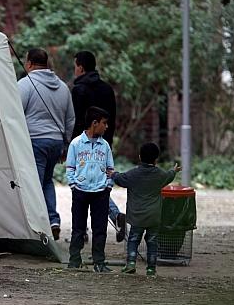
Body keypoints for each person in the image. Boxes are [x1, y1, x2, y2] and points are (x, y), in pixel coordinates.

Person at [18, 48, 75, 241]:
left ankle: (37, 226)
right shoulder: (62, 87)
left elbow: (14, 113)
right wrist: (65, 145)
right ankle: (53, 220)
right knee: (47, 181)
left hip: (35, 141)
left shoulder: (25, 85)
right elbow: (70, 119)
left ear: (29, 64)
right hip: (56, 142)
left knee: (34, 184)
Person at [71, 51, 127, 242]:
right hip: (105, 143)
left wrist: (71, 145)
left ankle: (82, 231)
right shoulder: (107, 89)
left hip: (83, 144)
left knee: (82, 185)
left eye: (75, 66)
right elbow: (113, 117)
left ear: (81, 67)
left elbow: (77, 121)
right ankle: (115, 215)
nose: (74, 70)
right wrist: (108, 141)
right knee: (98, 184)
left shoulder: (79, 90)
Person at [110, 142, 180, 277]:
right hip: (154, 216)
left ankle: (130, 264)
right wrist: (174, 171)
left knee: (134, 239)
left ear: (140, 157)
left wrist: (113, 174)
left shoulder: (133, 174)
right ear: (156, 159)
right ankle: (151, 269)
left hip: (137, 216)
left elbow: (120, 179)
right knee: (152, 242)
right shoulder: (160, 175)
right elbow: (169, 176)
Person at [65, 106, 114, 273]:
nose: (106, 127)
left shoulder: (105, 146)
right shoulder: (76, 144)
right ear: (94, 123)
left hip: (100, 193)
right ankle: (74, 260)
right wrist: (73, 185)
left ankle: (99, 262)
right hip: (80, 191)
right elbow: (70, 167)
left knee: (100, 229)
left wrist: (107, 185)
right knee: (78, 228)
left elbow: (110, 168)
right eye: (104, 123)